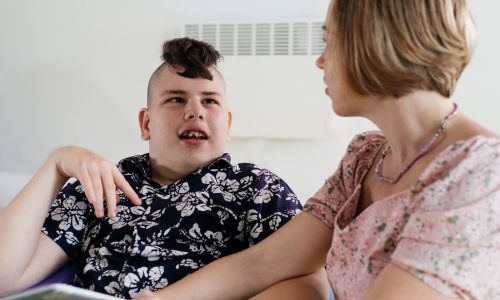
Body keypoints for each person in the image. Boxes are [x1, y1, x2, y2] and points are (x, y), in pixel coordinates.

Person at [136, 1, 500, 300]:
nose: (320, 60)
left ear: (372, 43)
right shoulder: (365, 157)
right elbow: (262, 264)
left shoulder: (482, 173)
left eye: (330, 42)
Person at [0, 38, 330, 299]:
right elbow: (4, 278)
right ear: (146, 123)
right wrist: (56, 164)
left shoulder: (258, 188)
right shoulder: (99, 186)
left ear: (227, 124)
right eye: (176, 99)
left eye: (210, 100)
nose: (195, 111)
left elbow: (307, 285)